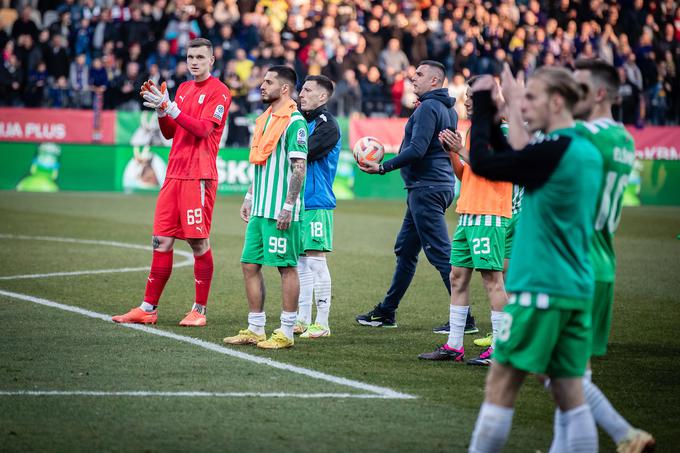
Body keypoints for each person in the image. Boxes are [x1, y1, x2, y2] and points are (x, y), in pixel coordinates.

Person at [466, 69, 602, 452]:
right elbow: (514, 158)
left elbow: (484, 163)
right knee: (569, 392)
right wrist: (497, 116)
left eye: (531, 98)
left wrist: (481, 106)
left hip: (541, 287)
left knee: (501, 384)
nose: (523, 106)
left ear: (557, 101)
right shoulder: (581, 149)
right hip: (575, 286)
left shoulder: (553, 150)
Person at [561, 58, 654, 453]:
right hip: (603, 264)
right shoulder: (624, 139)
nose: (568, 95)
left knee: (558, 375)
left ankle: (623, 433)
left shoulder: (583, 136)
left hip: (573, 262)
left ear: (599, 94)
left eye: (577, 86)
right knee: (572, 372)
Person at [112, 38, 231, 327]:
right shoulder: (184, 88)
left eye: (201, 57)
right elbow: (169, 133)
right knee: (161, 240)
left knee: (197, 242)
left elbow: (203, 130)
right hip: (174, 174)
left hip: (198, 175)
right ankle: (148, 308)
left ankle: (199, 311)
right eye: (190, 56)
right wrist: (162, 110)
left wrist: (172, 108)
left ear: (212, 61)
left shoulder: (220, 92)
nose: (194, 62)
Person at [355, 60, 476, 333]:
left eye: (419, 74)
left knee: (440, 253)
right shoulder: (448, 109)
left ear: (435, 81)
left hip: (426, 188)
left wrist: (383, 167)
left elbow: (418, 150)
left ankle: (465, 319)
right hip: (436, 186)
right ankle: (387, 311)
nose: (413, 78)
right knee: (406, 250)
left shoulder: (429, 108)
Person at [419, 77, 512, 366]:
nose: (467, 100)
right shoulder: (475, 131)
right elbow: (467, 175)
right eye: (468, 95)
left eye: (473, 96)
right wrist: (451, 152)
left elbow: (497, 169)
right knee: (457, 277)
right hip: (469, 212)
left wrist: (461, 150)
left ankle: (502, 347)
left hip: (489, 214)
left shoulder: (504, 132)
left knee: (492, 281)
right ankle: (454, 345)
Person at [223, 65, 308, 350]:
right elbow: (262, 163)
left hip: (281, 211)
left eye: (269, 82)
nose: (262, 85)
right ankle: (256, 328)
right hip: (260, 208)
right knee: (249, 265)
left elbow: (299, 168)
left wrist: (288, 206)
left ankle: (286, 331)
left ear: (284, 88)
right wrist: (249, 197)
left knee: (286, 267)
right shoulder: (264, 119)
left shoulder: (294, 122)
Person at [294, 74, 341, 339]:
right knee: (301, 263)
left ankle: (322, 322)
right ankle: (302, 318)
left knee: (315, 262)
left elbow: (303, 152)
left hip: (316, 201)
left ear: (322, 97)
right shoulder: (301, 121)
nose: (301, 94)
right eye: (302, 89)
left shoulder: (327, 125)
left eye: (308, 90)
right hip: (298, 201)